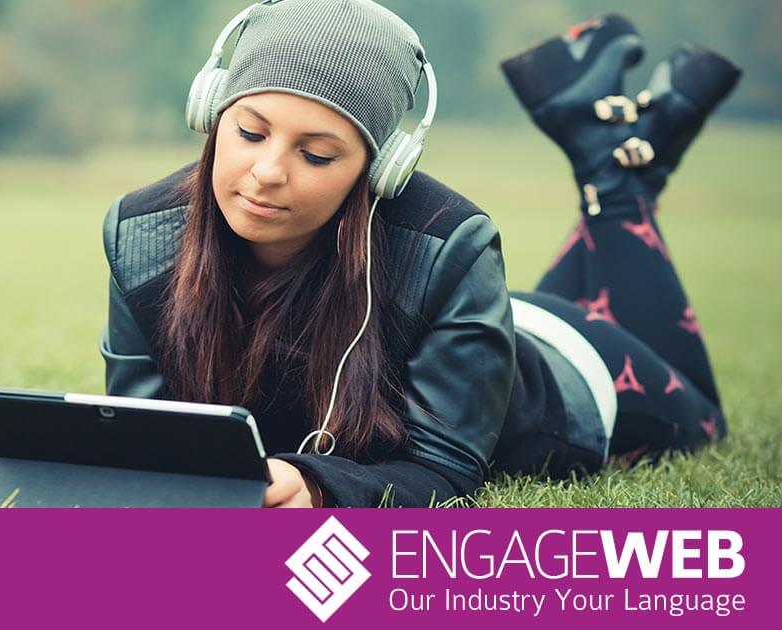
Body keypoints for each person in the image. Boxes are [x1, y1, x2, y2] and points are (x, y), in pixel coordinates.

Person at [98, 1, 741, 508]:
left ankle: (614, 174)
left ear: (380, 171)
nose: (266, 172)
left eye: (316, 154)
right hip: (491, 324)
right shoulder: (141, 233)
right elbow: (148, 435)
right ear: (211, 113)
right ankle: (624, 149)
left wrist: (320, 488)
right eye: (249, 131)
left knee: (709, 421)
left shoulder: (452, 243)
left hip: (578, 370)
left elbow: (447, 467)